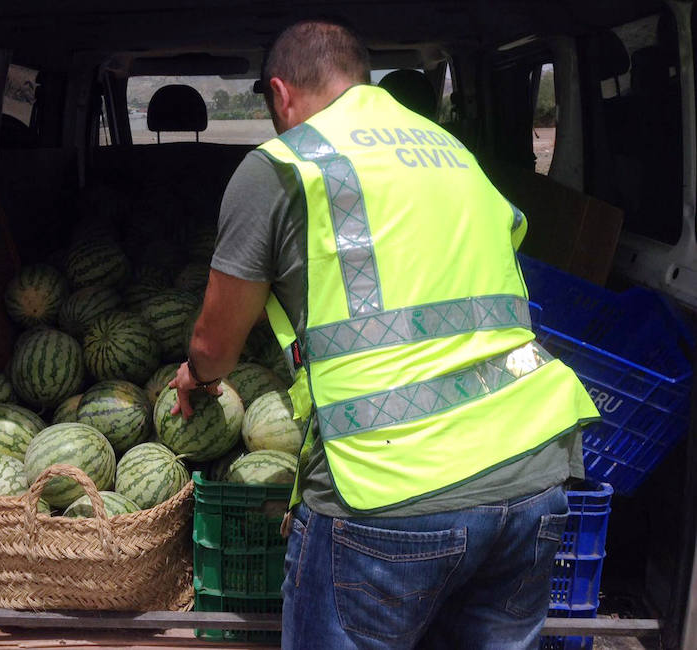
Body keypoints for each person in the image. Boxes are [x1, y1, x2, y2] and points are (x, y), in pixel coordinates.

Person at [169, 18, 599, 650]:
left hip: (389, 489)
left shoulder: (285, 165)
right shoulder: (452, 152)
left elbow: (215, 345)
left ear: (280, 93)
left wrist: (195, 378)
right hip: (532, 474)